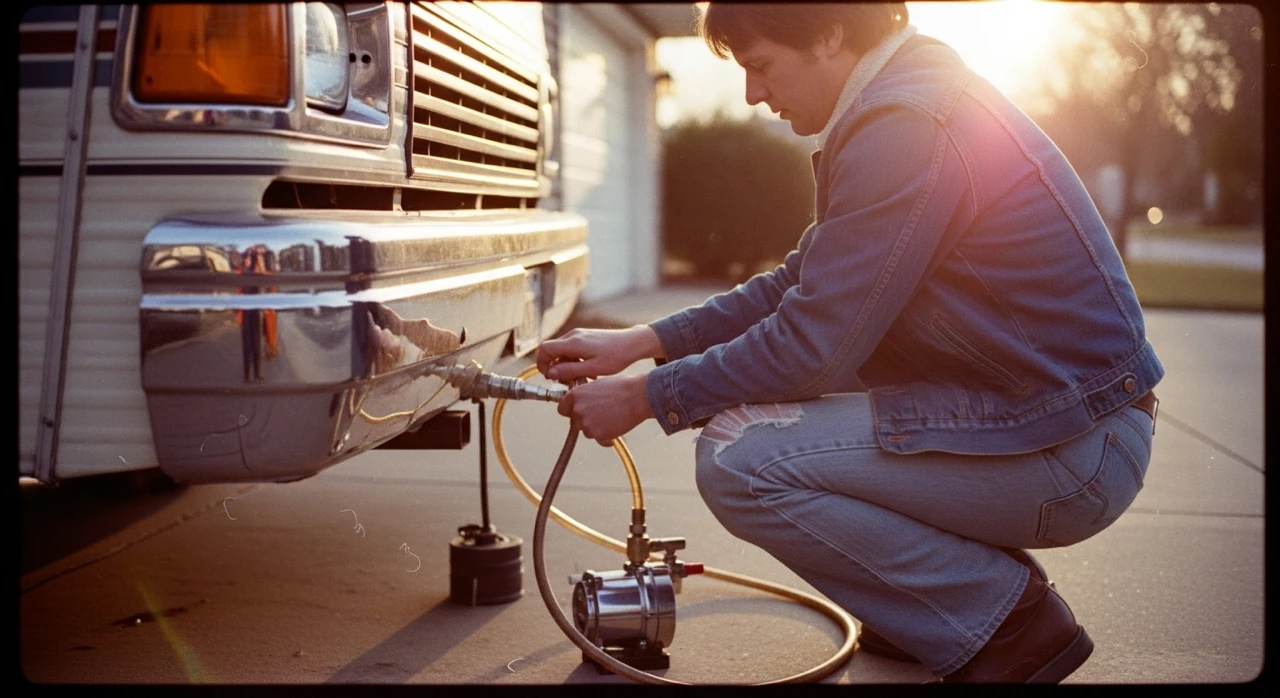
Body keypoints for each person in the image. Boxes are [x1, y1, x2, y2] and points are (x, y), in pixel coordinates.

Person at [536, 2, 1162, 683]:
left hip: (1074, 450)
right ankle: (930, 608)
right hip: (1049, 421)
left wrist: (651, 396)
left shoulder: (907, 123)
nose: (753, 92)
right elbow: (801, 285)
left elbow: (813, 345)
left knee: (740, 456)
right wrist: (645, 340)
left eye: (761, 65)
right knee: (775, 418)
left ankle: (1007, 624)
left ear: (830, 35)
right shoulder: (902, 100)